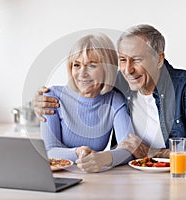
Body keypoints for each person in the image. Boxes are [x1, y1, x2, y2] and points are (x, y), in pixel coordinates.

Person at [34, 24, 186, 166]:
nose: (127, 70)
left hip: (177, 177)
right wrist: (38, 102)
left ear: (159, 59)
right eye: (123, 60)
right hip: (132, 175)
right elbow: (90, 85)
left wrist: (154, 152)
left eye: (137, 60)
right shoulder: (118, 85)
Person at [41, 33, 134, 173]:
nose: (82, 73)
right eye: (76, 65)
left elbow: (129, 148)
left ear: (106, 70)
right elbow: (48, 150)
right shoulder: (52, 96)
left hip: (94, 179)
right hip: (59, 177)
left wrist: (104, 158)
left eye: (92, 65)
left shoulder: (114, 101)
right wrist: (78, 152)